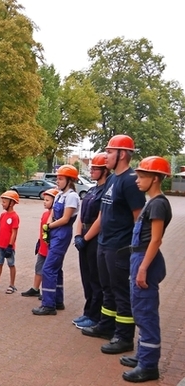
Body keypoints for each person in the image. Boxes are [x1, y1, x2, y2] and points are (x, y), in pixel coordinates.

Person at [81, 135, 146, 356]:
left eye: (110, 152)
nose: (106, 155)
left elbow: (139, 217)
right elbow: (103, 214)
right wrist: (89, 237)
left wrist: (136, 250)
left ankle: (124, 337)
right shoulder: (111, 180)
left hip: (120, 247)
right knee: (106, 287)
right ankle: (106, 325)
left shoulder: (130, 180)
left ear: (123, 154)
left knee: (120, 291)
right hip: (103, 244)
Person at [120, 156, 172, 383]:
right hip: (139, 257)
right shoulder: (151, 202)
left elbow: (156, 240)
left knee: (146, 313)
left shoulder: (158, 203)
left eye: (142, 176)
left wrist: (142, 269)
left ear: (156, 178)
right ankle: (142, 356)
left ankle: (149, 366)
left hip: (146, 260)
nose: (138, 180)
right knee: (140, 310)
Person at [32, 165, 80, 315]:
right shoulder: (59, 195)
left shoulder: (72, 196)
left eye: (60, 179)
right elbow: (53, 213)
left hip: (62, 233)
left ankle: (48, 305)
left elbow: (66, 219)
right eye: (57, 178)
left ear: (70, 180)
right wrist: (49, 226)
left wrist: (49, 226)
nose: (57, 181)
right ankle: (58, 301)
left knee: (48, 269)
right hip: (54, 231)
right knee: (56, 269)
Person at [71, 153, 109, 328]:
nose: (91, 170)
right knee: (86, 277)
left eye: (96, 168)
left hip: (94, 238)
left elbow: (101, 219)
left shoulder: (106, 191)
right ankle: (88, 312)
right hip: (84, 234)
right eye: (92, 167)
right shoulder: (92, 190)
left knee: (95, 278)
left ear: (105, 170)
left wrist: (85, 239)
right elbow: (81, 215)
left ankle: (95, 316)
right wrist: (78, 235)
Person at [21, 188, 58, 297]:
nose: (44, 202)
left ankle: (47, 290)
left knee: (48, 270)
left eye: (47, 200)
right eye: (44, 200)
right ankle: (35, 288)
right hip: (42, 247)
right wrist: (39, 241)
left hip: (51, 248)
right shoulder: (44, 214)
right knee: (39, 268)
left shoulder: (56, 216)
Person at [0, 190, 20, 294]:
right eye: (2, 202)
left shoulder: (15, 217)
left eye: (4, 202)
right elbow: (0, 229)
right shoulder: (3, 215)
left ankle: (12, 285)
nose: (2, 204)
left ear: (11, 203)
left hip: (8, 246)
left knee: (11, 264)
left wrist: (10, 245)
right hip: (0, 245)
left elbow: (14, 233)